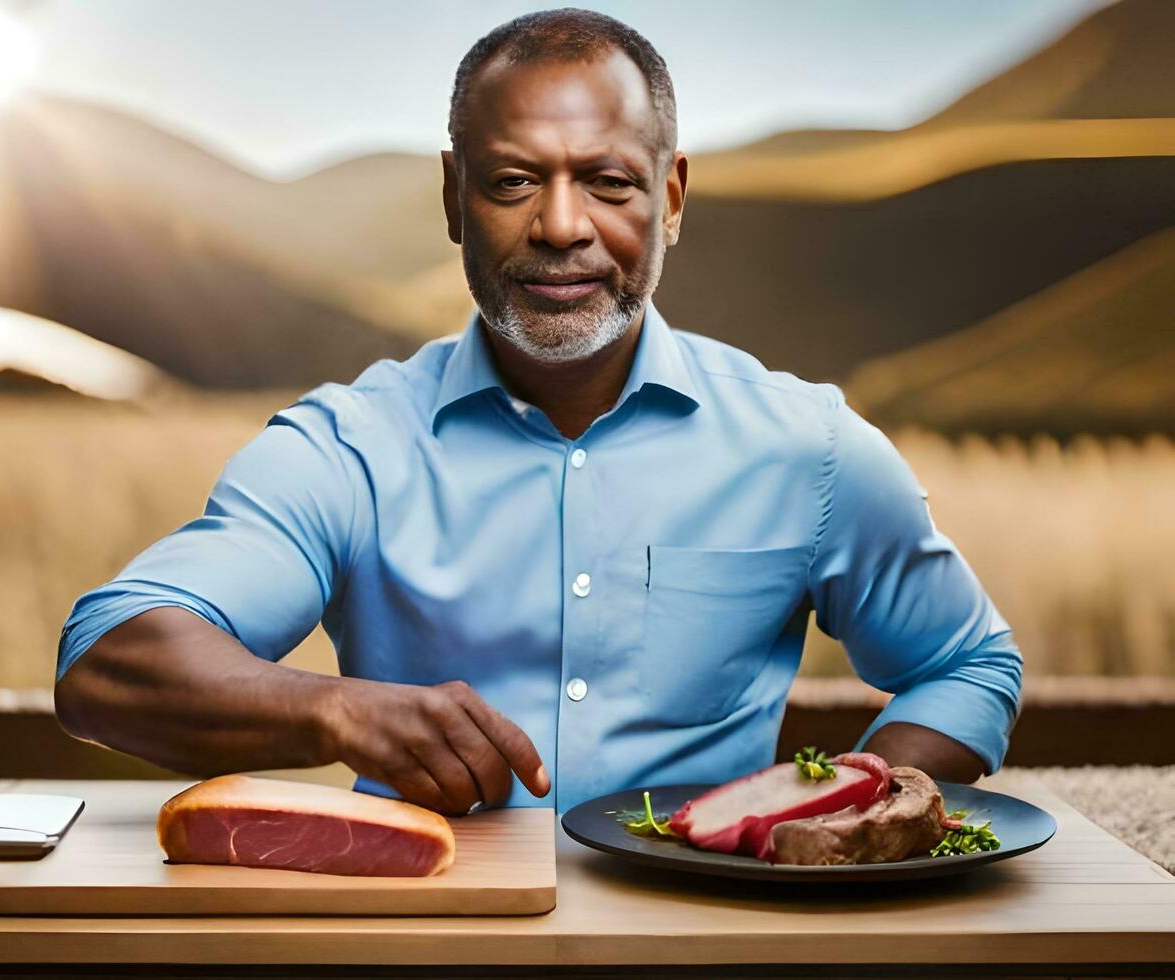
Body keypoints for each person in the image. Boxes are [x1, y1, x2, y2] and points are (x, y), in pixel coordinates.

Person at [53, 8, 1022, 817]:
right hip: (423, 948)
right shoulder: (347, 446)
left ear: (671, 197)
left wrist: (851, 802)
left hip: (704, 948)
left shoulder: (809, 448)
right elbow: (107, 658)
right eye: (514, 181)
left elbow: (969, 663)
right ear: (452, 196)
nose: (562, 226)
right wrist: (331, 709)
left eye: (609, 182)